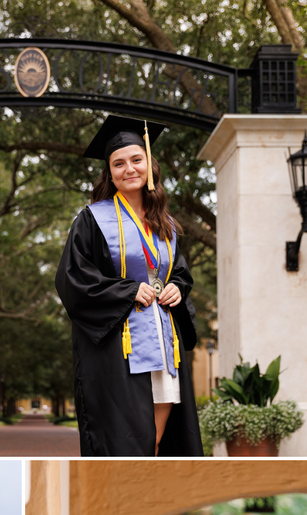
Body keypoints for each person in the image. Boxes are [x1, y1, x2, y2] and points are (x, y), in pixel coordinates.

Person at [55, 115, 202, 456]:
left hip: (164, 341)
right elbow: (73, 277)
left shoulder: (166, 223)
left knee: (155, 440)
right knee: (127, 436)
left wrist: (177, 288)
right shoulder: (92, 219)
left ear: (150, 164)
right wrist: (127, 290)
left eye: (136, 160)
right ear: (110, 173)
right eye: (118, 164)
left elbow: (179, 272)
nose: (129, 169)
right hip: (121, 348)